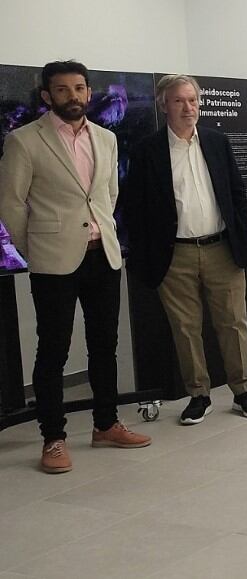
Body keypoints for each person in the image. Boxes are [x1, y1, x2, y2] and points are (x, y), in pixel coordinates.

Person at [0, 60, 150, 473]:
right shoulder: (24, 140)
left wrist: (100, 230)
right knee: (53, 351)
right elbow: (11, 203)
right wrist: (35, 247)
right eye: (63, 90)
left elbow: (108, 193)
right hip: (54, 259)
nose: (74, 97)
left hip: (103, 253)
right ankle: (53, 437)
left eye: (80, 88)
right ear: (47, 96)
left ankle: (106, 424)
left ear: (88, 91)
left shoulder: (106, 138)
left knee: (105, 344)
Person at [122, 74, 247, 425]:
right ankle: (198, 394)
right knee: (185, 328)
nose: (188, 108)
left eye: (193, 101)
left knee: (233, 322)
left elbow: (236, 193)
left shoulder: (217, 142)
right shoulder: (148, 151)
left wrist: (242, 234)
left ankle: (242, 389)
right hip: (176, 254)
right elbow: (135, 207)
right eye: (179, 101)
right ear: (163, 105)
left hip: (221, 248)